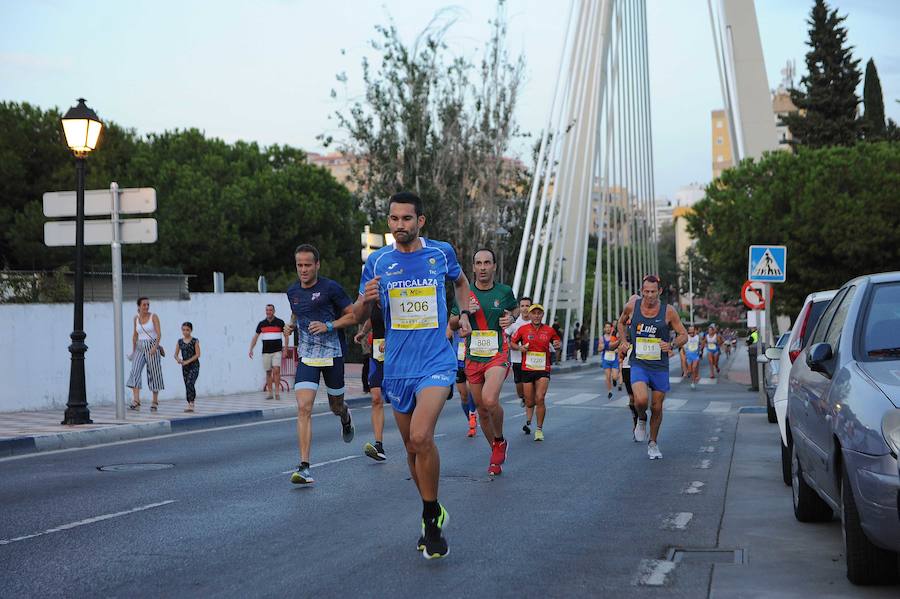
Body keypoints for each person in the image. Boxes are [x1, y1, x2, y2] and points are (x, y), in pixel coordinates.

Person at [351, 191, 473, 560]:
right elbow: (359, 314)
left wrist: (463, 313)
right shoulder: (376, 262)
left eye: (407, 218)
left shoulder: (440, 254)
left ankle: (430, 519)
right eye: (394, 219)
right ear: (388, 222)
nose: (400, 225)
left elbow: (462, 283)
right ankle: (432, 508)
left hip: (436, 362)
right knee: (410, 447)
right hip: (397, 369)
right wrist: (365, 300)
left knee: (422, 436)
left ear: (421, 221)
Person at [284, 244, 357, 485]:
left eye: (307, 265)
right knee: (304, 408)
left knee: (335, 406)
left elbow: (352, 315)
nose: (303, 270)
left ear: (317, 265)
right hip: (307, 356)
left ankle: (345, 416)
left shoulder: (331, 288)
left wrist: (328, 325)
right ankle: (304, 466)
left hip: (332, 354)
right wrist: (291, 324)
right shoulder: (292, 291)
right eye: (299, 265)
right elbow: (296, 312)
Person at [451, 248, 517, 477]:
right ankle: (496, 450)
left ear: (494, 266)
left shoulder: (504, 291)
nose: (482, 267)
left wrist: (512, 317)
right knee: (481, 409)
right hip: (472, 357)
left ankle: (499, 439)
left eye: (487, 263)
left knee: (490, 400)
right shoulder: (464, 294)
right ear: (473, 267)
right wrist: (464, 314)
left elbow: (514, 309)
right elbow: (451, 324)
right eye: (478, 263)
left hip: (497, 354)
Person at [617, 275, 688, 460]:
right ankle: (641, 419)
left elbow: (684, 335)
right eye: (646, 292)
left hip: (659, 366)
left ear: (660, 292)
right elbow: (620, 323)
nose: (649, 296)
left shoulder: (668, 311)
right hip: (639, 363)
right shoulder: (632, 306)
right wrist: (624, 341)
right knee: (640, 401)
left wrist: (671, 344)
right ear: (642, 291)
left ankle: (653, 443)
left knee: (657, 407)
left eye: (653, 292)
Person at [509, 304, 561, 441]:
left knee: (540, 398)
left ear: (542, 315)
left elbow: (557, 341)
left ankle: (539, 429)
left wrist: (557, 344)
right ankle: (529, 418)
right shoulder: (523, 329)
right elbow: (512, 343)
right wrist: (520, 348)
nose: (536, 316)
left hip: (543, 369)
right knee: (530, 401)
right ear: (530, 315)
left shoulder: (549, 330)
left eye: (539, 313)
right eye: (534, 313)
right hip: (527, 369)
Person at [355, 302, 387, 461]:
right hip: (377, 353)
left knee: (402, 399)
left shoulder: (394, 299)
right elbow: (371, 320)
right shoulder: (374, 304)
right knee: (376, 398)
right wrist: (363, 332)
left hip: (397, 352)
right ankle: (379, 444)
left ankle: (415, 437)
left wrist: (391, 340)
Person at [127, 297, 164, 411]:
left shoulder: (154, 317)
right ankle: (136, 400)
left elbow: (159, 334)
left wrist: (155, 347)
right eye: (144, 305)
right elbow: (135, 335)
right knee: (135, 370)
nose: (146, 307)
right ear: (139, 306)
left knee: (154, 372)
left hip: (152, 345)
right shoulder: (136, 318)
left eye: (148, 304)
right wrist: (133, 351)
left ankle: (154, 401)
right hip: (140, 346)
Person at [249, 304, 288, 400]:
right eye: (267, 310)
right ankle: (270, 393)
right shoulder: (262, 324)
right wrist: (251, 349)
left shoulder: (280, 322)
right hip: (266, 352)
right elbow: (256, 337)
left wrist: (285, 349)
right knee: (268, 372)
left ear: (274, 311)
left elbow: (286, 336)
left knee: (276, 370)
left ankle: (277, 392)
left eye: (270, 310)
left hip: (277, 351)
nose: (268, 312)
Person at [448, 325, 477, 437]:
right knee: (463, 395)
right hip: (458, 362)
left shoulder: (473, 320)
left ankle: (473, 414)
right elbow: (447, 335)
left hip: (471, 360)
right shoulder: (455, 321)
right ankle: (470, 420)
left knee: (471, 390)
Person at [505, 296, 533, 409]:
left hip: (532, 361)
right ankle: (522, 397)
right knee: (519, 388)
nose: (525, 308)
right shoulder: (515, 323)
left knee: (532, 386)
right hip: (517, 360)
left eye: (527, 306)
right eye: (522, 306)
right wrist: (515, 347)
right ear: (519, 308)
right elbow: (506, 337)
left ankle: (530, 400)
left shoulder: (535, 322)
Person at [174, 322, 201, 412]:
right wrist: (178, 359)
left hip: (194, 365)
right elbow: (175, 354)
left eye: (187, 330)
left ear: (191, 330)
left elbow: (198, 354)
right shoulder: (180, 342)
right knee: (187, 384)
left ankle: (191, 403)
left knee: (190, 382)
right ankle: (189, 402)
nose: (185, 332)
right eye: (184, 330)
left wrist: (187, 361)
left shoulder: (195, 341)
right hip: (185, 367)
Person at [600, 322, 620, 399]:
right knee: (607, 376)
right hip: (606, 359)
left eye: (609, 327)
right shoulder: (602, 338)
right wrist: (602, 347)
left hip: (614, 359)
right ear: (604, 329)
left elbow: (619, 345)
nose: (608, 329)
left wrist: (617, 349)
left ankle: (614, 380)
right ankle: (609, 391)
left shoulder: (615, 336)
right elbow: (599, 348)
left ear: (611, 328)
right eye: (606, 327)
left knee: (614, 377)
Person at [684, 325, 702, 390]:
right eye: (690, 332)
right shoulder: (686, 337)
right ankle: (689, 372)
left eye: (692, 331)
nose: (691, 333)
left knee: (694, 368)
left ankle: (693, 382)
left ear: (695, 331)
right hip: (689, 355)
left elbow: (700, 344)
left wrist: (700, 351)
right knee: (690, 370)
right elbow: (684, 346)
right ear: (688, 331)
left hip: (695, 355)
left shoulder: (698, 337)